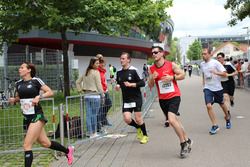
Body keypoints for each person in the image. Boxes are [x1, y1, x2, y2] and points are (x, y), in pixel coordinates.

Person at [9, 62, 74, 167]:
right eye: (19, 68)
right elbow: (19, 98)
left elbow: (49, 92)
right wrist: (14, 100)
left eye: (22, 68)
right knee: (46, 143)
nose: (19, 70)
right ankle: (67, 150)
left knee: (27, 145)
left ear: (29, 70)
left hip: (37, 115)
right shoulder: (18, 84)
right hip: (27, 116)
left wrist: (39, 97)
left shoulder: (36, 81)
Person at [148, 46, 192, 157]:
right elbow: (150, 85)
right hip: (162, 99)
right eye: (152, 53)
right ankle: (187, 140)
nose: (153, 54)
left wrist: (171, 78)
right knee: (176, 120)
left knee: (172, 121)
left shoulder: (171, 65)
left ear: (162, 53)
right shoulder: (152, 69)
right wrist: (152, 78)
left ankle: (183, 144)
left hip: (174, 96)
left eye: (156, 52)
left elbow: (182, 75)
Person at [115, 52, 148, 144]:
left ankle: (145, 135)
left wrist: (131, 84)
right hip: (126, 100)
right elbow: (118, 83)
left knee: (138, 119)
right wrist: (118, 86)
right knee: (127, 119)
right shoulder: (119, 72)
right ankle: (138, 128)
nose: (121, 60)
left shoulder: (134, 70)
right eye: (121, 58)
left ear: (128, 60)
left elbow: (142, 83)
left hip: (136, 98)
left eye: (123, 58)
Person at [200, 49, 231, 135]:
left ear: (209, 54)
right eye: (202, 54)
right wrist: (203, 80)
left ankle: (227, 117)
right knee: (208, 105)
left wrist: (215, 73)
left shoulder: (215, 63)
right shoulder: (202, 64)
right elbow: (203, 73)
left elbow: (224, 73)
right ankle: (215, 125)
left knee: (222, 105)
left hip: (217, 88)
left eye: (205, 54)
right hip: (208, 87)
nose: (203, 55)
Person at [76, 57, 105, 138]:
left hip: (86, 96)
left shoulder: (86, 72)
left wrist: (79, 91)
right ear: (92, 64)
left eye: (99, 63)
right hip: (95, 96)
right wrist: (103, 96)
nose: (98, 65)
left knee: (88, 115)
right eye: (97, 63)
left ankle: (90, 133)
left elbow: (77, 82)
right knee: (94, 115)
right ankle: (94, 133)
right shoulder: (96, 72)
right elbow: (99, 86)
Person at [96, 56, 114, 133]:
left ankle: (103, 119)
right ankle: (99, 126)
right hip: (101, 92)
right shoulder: (97, 71)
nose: (102, 64)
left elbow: (104, 82)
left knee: (109, 104)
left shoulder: (103, 71)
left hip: (105, 91)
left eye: (103, 62)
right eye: (101, 62)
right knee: (99, 109)